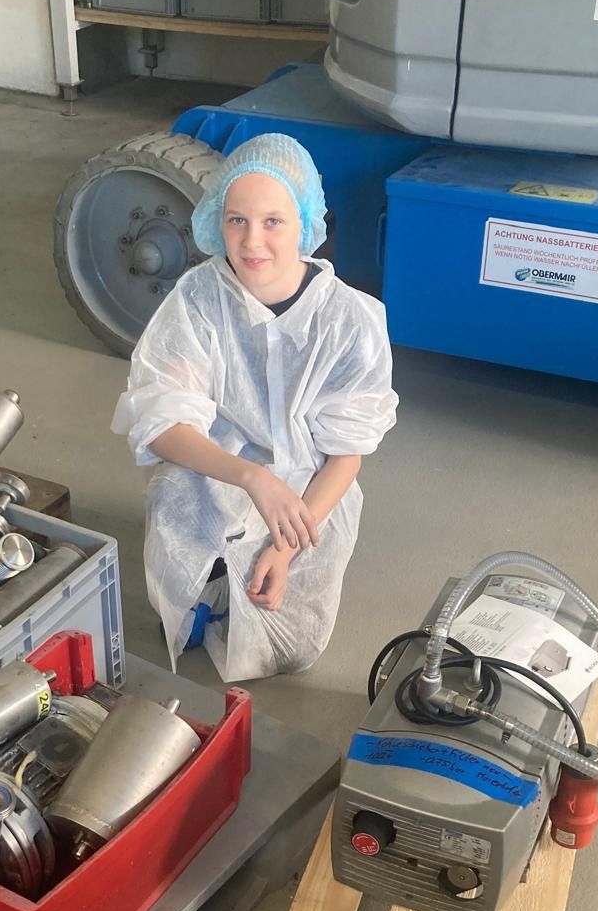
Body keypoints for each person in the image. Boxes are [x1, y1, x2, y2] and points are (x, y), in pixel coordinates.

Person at [112, 132, 398, 682]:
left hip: (311, 486)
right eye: (237, 220)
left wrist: (286, 551)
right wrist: (252, 477)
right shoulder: (199, 298)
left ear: (305, 224)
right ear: (216, 221)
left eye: (273, 222)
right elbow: (162, 420)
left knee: (289, 649)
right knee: (176, 494)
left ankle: (239, 574)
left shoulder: (349, 322)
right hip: (217, 465)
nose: (252, 242)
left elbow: (346, 455)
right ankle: (210, 583)